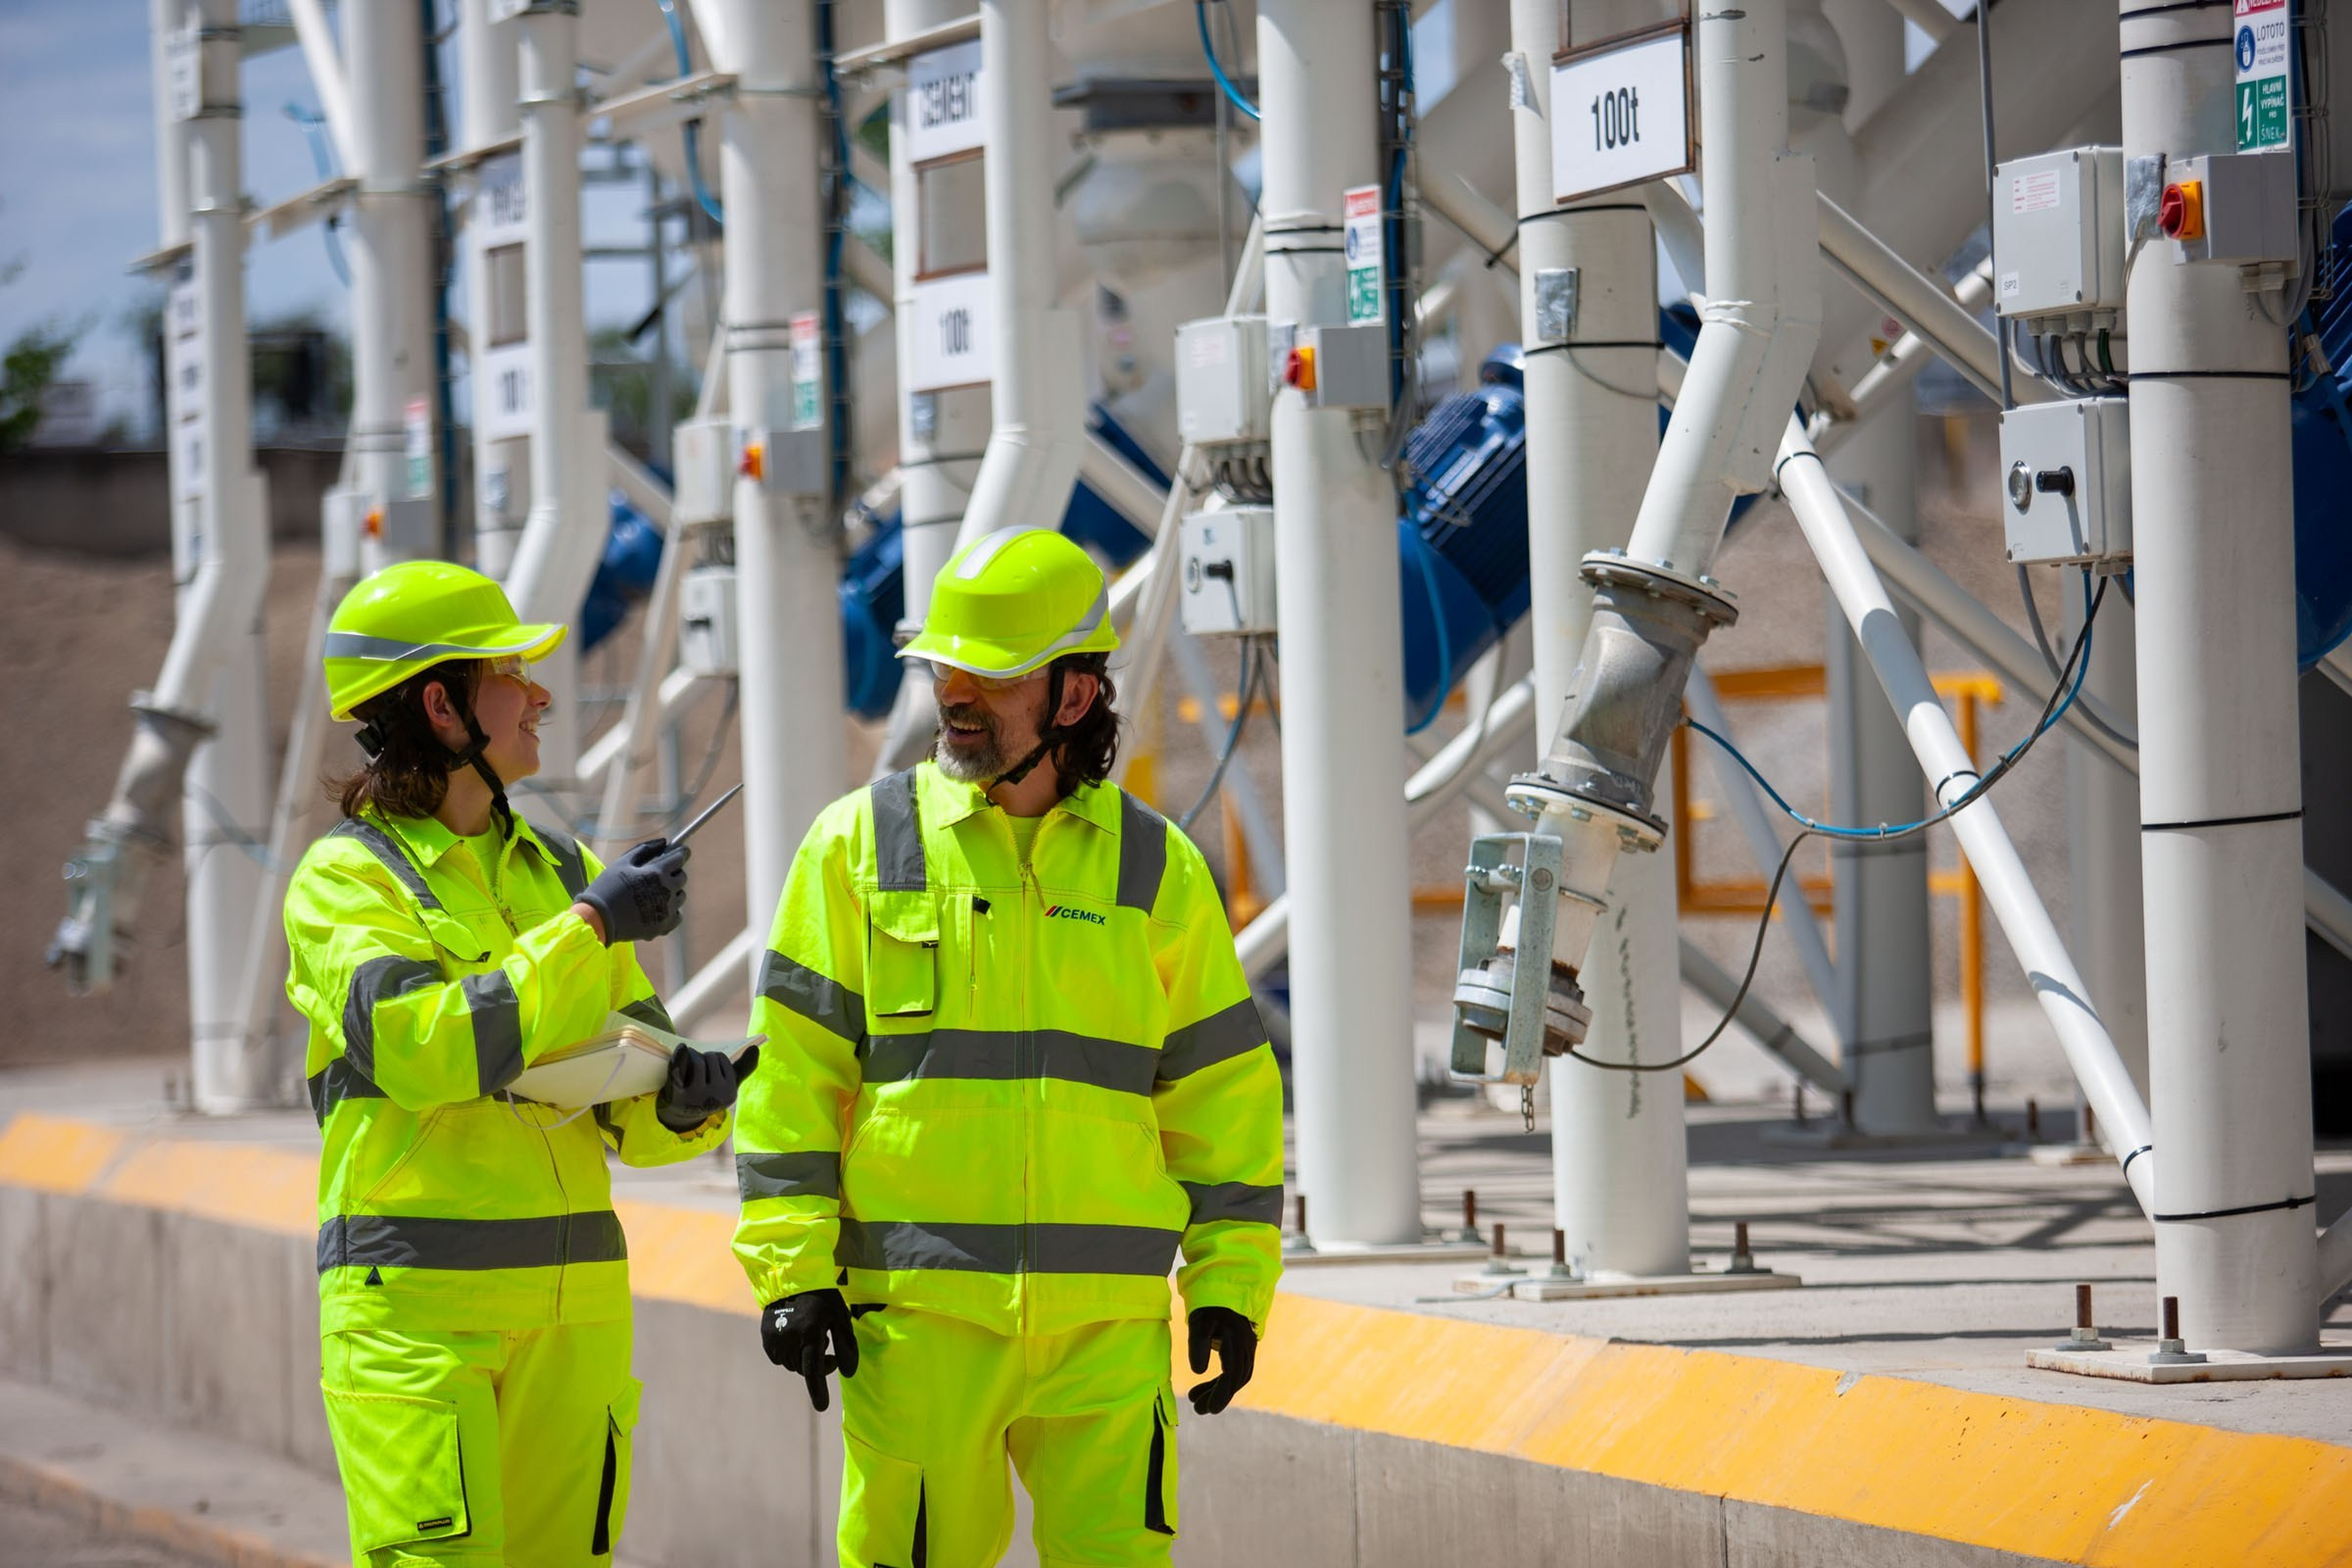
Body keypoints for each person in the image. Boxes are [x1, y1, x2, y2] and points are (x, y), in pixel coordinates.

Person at [732, 527, 1285, 1567]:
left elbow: (1223, 1100)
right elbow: (791, 1084)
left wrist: (1229, 1286)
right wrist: (790, 1273)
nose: (955, 691)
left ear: (1073, 696)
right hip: (922, 1326)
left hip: (1106, 1341)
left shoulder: (1154, 870)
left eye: (988, 671)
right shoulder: (857, 846)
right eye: (947, 665)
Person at [283, 561, 757, 1566]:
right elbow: (430, 1048)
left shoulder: (564, 869)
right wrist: (589, 928)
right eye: (513, 672)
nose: (540, 694)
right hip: (416, 1327)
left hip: (574, 1314)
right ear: (442, 704)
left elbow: (619, 1097)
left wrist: (687, 1104)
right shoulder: (345, 880)